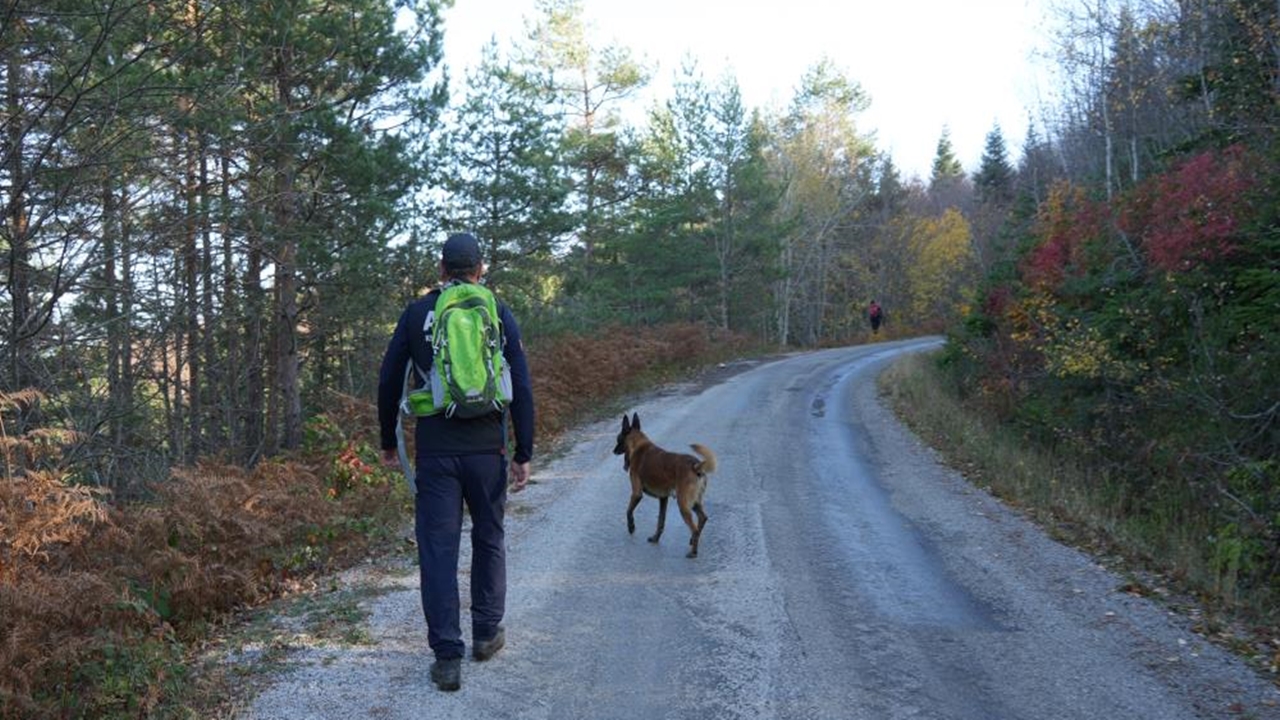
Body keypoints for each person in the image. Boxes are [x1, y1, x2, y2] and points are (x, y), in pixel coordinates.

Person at [378, 232, 535, 692]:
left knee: (439, 551)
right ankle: (486, 634)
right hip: (488, 449)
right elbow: (520, 386)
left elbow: (389, 379)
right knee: (489, 538)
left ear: (442, 270)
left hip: (437, 452)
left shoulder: (417, 313)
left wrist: (388, 440)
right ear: (480, 269)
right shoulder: (497, 310)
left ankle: (448, 657)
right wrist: (523, 450)